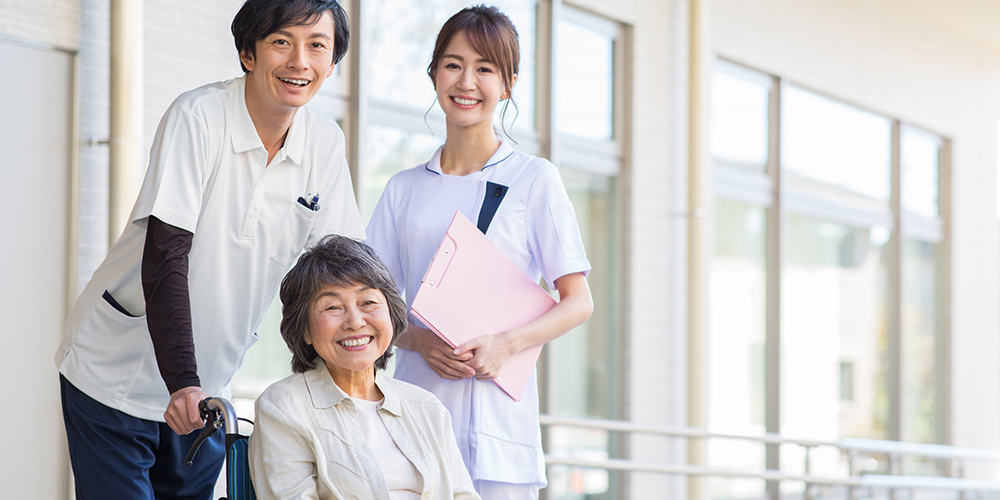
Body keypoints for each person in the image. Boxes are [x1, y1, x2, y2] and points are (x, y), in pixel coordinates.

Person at [54, 1, 364, 498]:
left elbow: (336, 271)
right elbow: (165, 255)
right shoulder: (199, 116)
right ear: (248, 52)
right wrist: (183, 381)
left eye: (317, 46)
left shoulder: (324, 143)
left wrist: (353, 373)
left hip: (208, 393)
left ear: (332, 63)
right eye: (282, 41)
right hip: (116, 375)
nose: (299, 61)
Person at [365, 5, 594, 499]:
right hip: (414, 427)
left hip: (500, 434)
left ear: (508, 84)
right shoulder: (403, 190)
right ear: (433, 74)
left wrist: (506, 345)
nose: (466, 81)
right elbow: (371, 308)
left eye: (485, 68)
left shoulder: (534, 180)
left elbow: (579, 301)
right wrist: (419, 342)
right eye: (452, 64)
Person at [249, 235, 480, 500]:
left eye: (368, 302)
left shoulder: (428, 408)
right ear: (305, 330)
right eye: (332, 307)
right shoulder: (284, 408)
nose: (355, 322)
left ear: (391, 315)